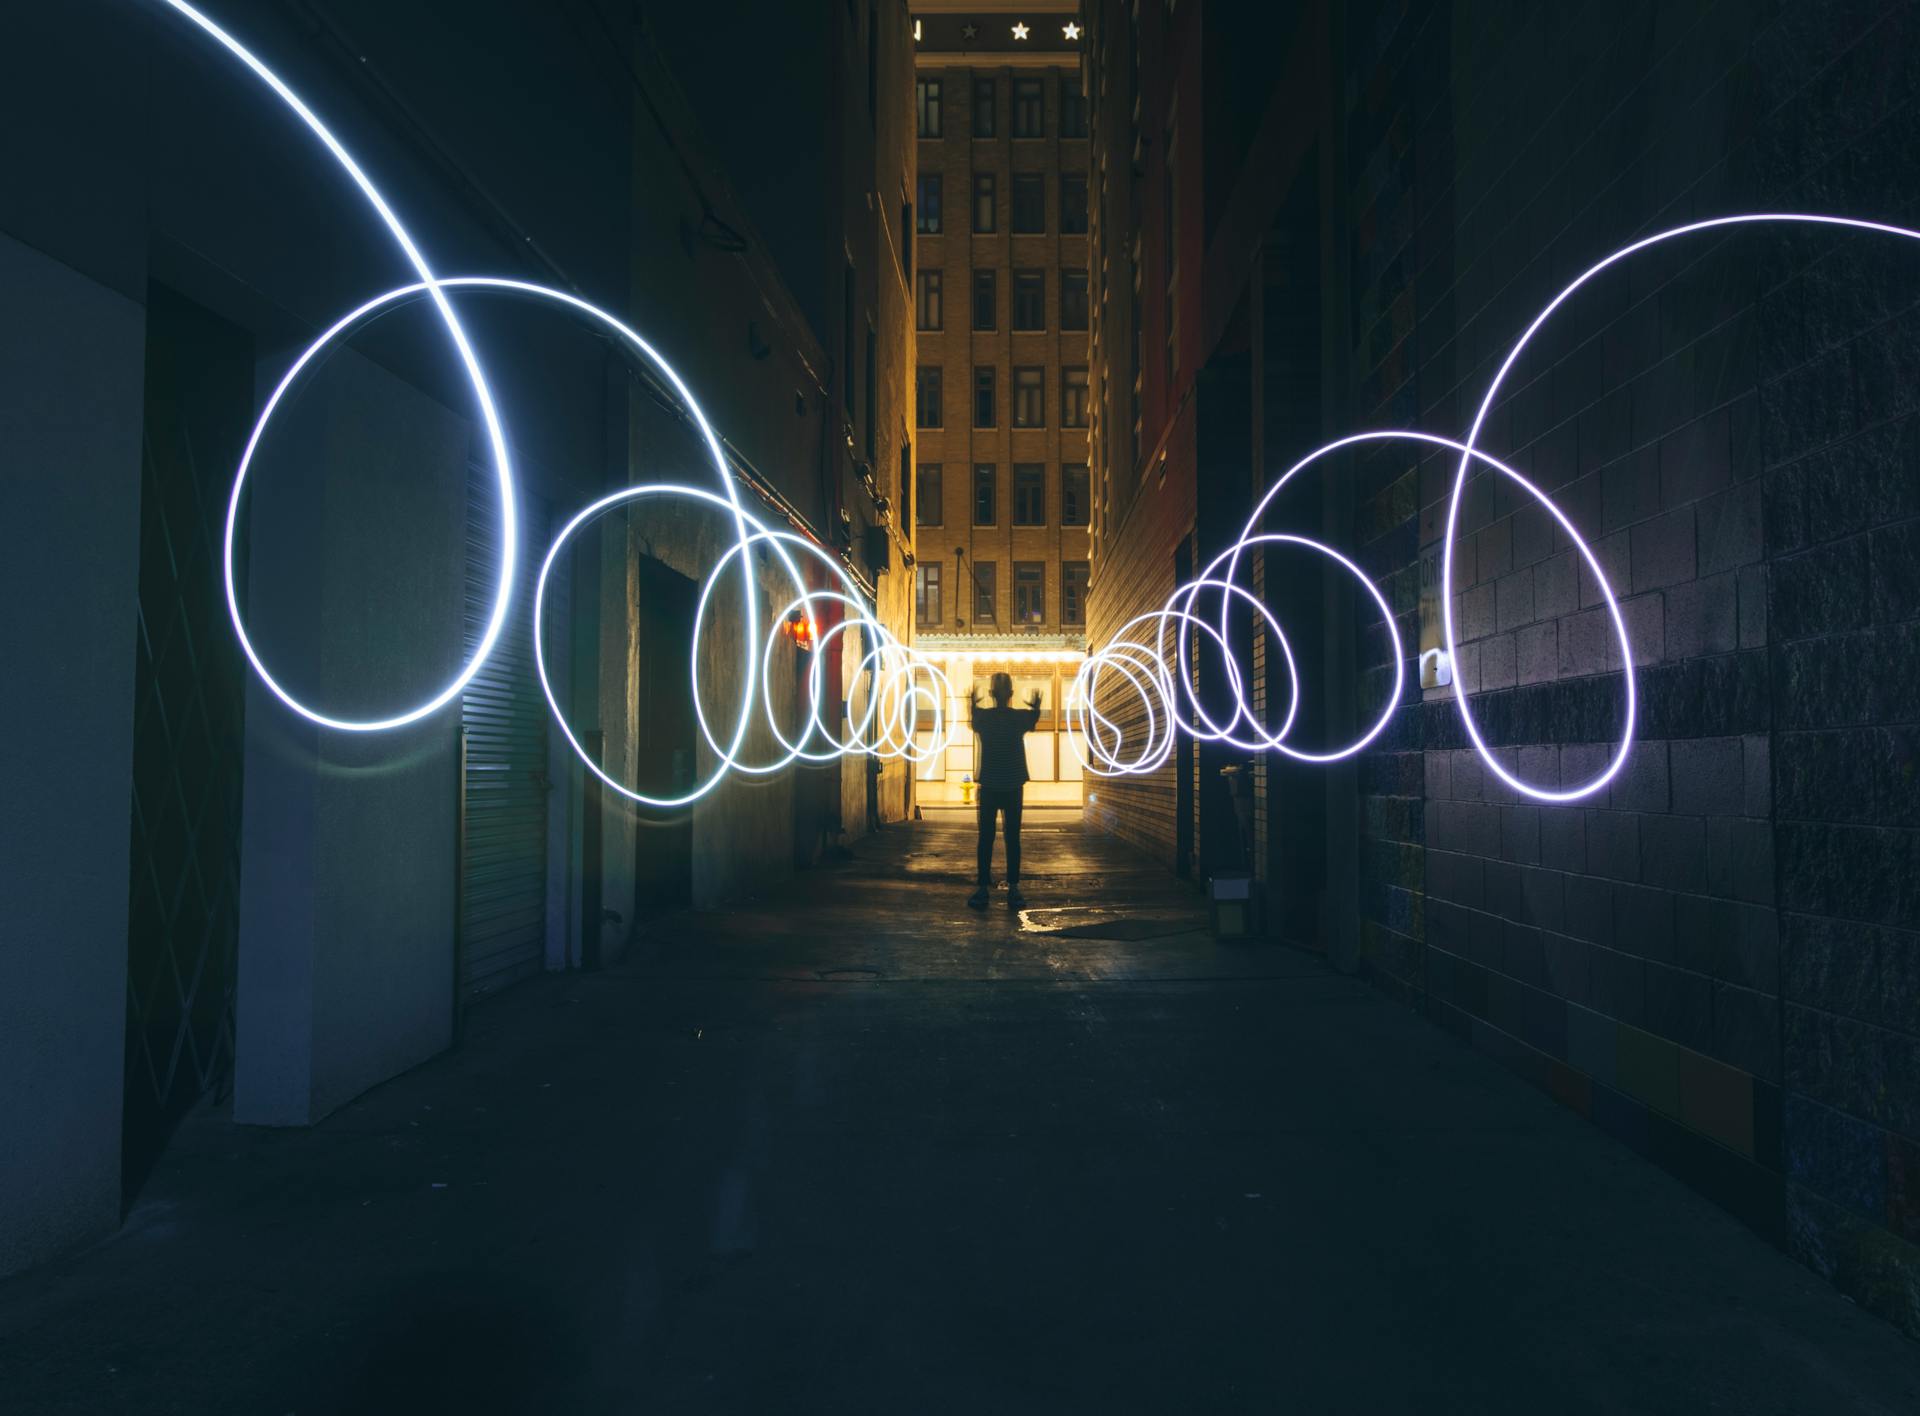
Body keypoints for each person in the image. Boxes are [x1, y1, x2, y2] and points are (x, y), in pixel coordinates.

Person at [967, 671, 1042, 910]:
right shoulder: (1018, 718)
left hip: (989, 785)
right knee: (1012, 838)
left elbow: (974, 719)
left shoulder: (983, 718)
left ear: (991, 693)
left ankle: (982, 889)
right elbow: (1032, 720)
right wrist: (1037, 708)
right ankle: (1014, 889)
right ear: (1011, 694)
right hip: (1012, 786)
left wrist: (972, 705)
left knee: (986, 838)